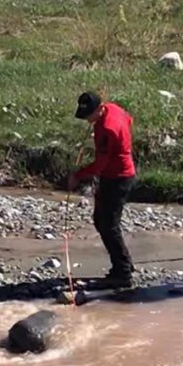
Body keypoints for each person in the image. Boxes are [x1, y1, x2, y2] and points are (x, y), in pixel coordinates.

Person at [68, 91, 137, 288]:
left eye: (90, 115)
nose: (87, 119)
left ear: (99, 109)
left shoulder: (107, 129)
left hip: (118, 178)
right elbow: (129, 120)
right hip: (115, 176)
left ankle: (122, 273)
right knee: (101, 221)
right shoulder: (113, 109)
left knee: (109, 225)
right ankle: (124, 264)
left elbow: (100, 165)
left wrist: (77, 176)